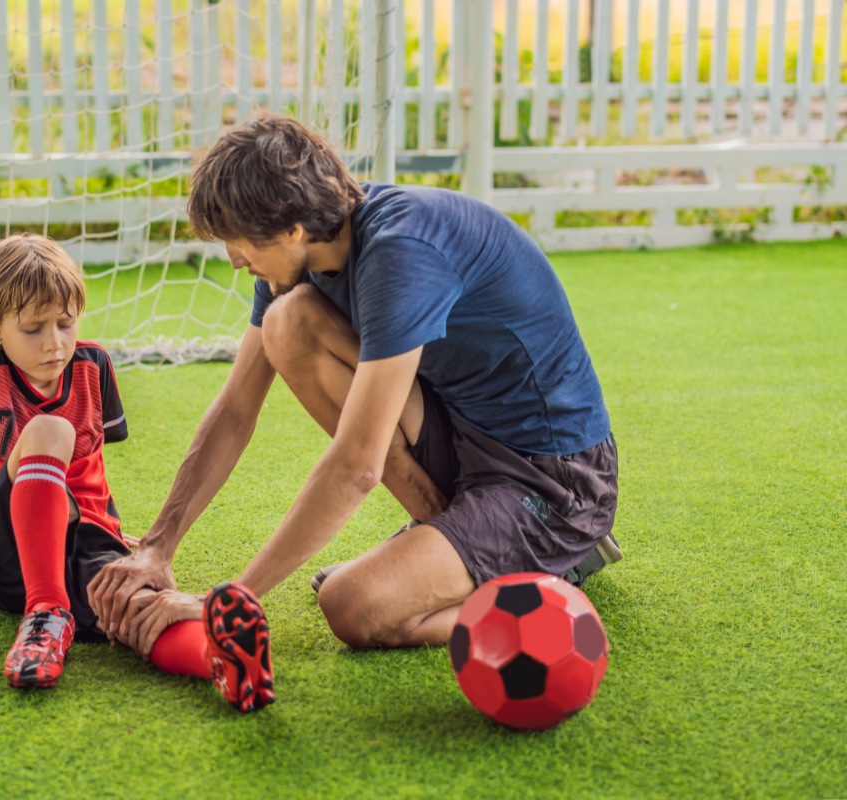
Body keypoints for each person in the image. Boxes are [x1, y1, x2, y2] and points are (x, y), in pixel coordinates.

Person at [88, 114, 621, 657]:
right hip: (461, 434)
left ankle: (543, 583)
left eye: (242, 240)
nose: (233, 258)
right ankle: (450, 536)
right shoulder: (295, 268)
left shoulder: (400, 251)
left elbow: (357, 464)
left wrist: (230, 601)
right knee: (289, 324)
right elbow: (235, 410)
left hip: (551, 479)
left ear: (293, 226)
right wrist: (156, 548)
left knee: (352, 605)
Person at [0, 233, 274, 713]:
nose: (54, 344)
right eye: (33, 329)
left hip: (81, 542)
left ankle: (221, 658)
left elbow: (93, 468)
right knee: (49, 429)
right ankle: (46, 611)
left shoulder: (93, 366)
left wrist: (104, 535)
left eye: (65, 324)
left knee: (130, 608)